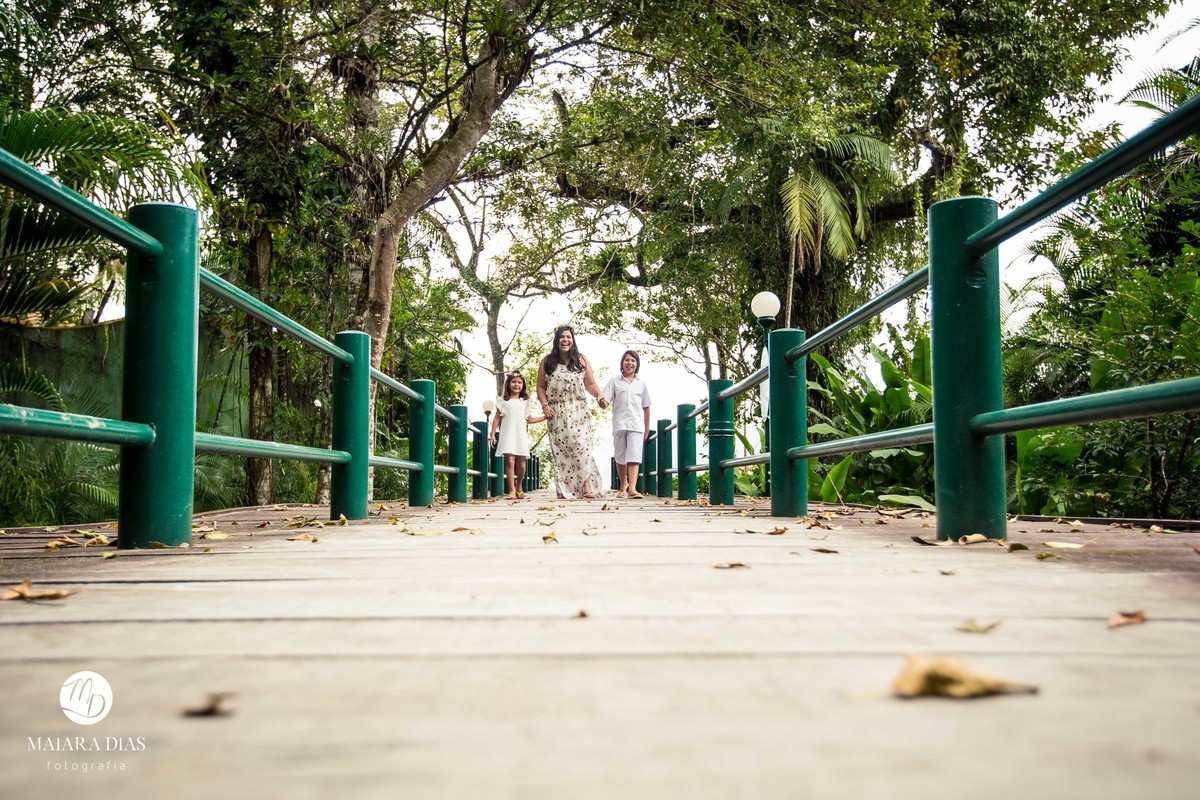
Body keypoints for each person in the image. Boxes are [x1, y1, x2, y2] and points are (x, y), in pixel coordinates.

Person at [536, 325, 609, 499]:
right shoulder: (547, 361)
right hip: (556, 410)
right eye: (562, 337)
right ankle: (564, 489)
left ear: (573, 340)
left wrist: (599, 396)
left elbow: (590, 384)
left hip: (578, 409)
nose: (565, 340)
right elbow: (540, 386)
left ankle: (587, 487)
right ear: (557, 340)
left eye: (568, 337)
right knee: (561, 449)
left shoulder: (581, 360)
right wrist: (545, 405)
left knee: (582, 446)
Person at [603, 350, 652, 498]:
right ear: (622, 363)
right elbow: (605, 402)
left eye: (633, 361)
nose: (630, 363)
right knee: (620, 456)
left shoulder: (641, 384)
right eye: (627, 360)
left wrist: (647, 428)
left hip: (636, 424)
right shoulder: (614, 382)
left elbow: (646, 407)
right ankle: (623, 484)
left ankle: (632, 488)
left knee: (634, 456)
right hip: (619, 423)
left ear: (636, 365)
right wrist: (601, 401)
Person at [489, 372, 544, 499]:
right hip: (507, 434)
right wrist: (492, 434)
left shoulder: (525, 401)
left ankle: (519, 485)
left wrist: (545, 417)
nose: (516, 385)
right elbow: (497, 418)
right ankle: (512, 490)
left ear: (523, 385)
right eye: (514, 382)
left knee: (522, 464)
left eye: (519, 382)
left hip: (520, 435)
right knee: (509, 460)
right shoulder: (502, 401)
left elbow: (529, 419)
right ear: (508, 384)